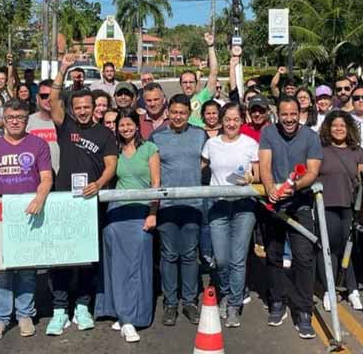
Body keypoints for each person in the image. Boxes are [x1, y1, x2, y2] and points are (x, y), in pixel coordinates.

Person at [49, 54, 118, 335]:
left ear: (95, 108)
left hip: (90, 203)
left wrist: (99, 183)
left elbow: (111, 165)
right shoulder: (66, 127)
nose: (82, 111)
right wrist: (63, 69)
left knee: (89, 258)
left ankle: (82, 307)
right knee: (62, 258)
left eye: (87, 107)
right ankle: (59, 309)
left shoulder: (104, 134)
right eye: (78, 107)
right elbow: (54, 100)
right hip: (64, 201)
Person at [0, 99, 52, 340]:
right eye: (10, 118)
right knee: (2, 271)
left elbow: (46, 177)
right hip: (2, 218)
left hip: (29, 216)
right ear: (3, 120)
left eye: (20, 118)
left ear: (27, 119)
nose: (15, 122)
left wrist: (40, 197)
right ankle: (1, 317)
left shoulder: (38, 144)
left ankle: (25, 313)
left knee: (27, 269)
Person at [258, 95, 323, 339]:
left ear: (300, 113)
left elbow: (313, 171)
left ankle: (304, 310)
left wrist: (294, 187)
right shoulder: (268, 133)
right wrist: (269, 187)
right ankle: (276, 301)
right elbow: (265, 165)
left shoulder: (311, 137)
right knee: (273, 255)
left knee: (304, 258)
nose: (289, 119)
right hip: (274, 204)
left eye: (293, 114)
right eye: (284, 114)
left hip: (300, 204)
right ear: (277, 114)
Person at [95, 109, 159, 342]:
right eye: (121, 125)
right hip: (117, 212)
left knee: (137, 265)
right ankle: (122, 313)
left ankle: (132, 316)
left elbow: (156, 183)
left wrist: (153, 213)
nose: (125, 128)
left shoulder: (150, 149)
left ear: (136, 125)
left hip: (141, 211)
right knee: (117, 266)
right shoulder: (113, 150)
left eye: (129, 124)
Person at [150, 94, 207, 325]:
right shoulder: (157, 136)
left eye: (183, 113)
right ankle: (171, 302)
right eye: (174, 112)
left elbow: (206, 160)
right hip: (167, 206)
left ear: (189, 113)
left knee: (190, 254)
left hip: (193, 204)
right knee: (169, 254)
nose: (178, 117)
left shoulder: (199, 134)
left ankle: (190, 301)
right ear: (168, 112)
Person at [201, 102, 259, 327]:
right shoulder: (211, 144)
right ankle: (225, 292)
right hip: (218, 205)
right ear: (221, 121)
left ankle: (234, 303)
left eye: (236, 119)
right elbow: (200, 167)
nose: (232, 123)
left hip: (244, 206)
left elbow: (256, 172)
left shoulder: (250, 144)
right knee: (222, 259)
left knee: (237, 258)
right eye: (228, 119)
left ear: (241, 121)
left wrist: (251, 178)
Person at [314, 111, 363, 312]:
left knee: (347, 248)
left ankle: (352, 289)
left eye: (342, 126)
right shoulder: (320, 150)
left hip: (349, 205)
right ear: (328, 127)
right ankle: (329, 289)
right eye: (334, 125)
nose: (338, 129)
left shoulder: (358, 151)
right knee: (327, 248)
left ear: (349, 128)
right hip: (325, 205)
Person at [181, 34, 219, 129]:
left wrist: (210, 46)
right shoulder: (177, 102)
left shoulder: (203, 96)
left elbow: (213, 72)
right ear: (180, 84)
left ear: (196, 82)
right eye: (185, 82)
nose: (188, 85)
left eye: (191, 82)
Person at [27, 80, 59, 170]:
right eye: (44, 96)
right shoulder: (26, 123)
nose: (48, 99)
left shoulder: (66, 123)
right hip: (35, 179)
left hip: (61, 180)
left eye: (52, 96)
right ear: (37, 98)